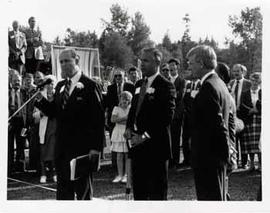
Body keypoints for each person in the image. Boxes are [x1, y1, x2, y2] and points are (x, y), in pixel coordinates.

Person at [35, 48, 105, 200]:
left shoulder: (90, 85)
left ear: (77, 60)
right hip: (61, 149)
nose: (63, 64)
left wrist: (95, 148)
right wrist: (40, 98)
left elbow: (98, 119)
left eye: (67, 61)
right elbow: (55, 112)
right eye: (61, 62)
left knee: (82, 193)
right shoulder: (60, 86)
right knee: (63, 193)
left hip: (81, 150)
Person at [124, 47, 176, 200]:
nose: (141, 64)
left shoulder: (166, 85)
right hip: (137, 147)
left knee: (156, 194)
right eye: (141, 60)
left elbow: (166, 118)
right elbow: (134, 109)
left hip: (156, 148)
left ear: (157, 62)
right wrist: (128, 126)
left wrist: (145, 136)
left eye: (146, 61)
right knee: (140, 192)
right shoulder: (140, 83)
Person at [187, 45, 231, 200]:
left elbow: (219, 127)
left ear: (200, 63)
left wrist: (226, 158)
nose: (188, 66)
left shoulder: (208, 88)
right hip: (215, 159)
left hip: (208, 160)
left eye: (190, 63)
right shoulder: (219, 83)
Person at [105, 69, 135, 172]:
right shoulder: (110, 88)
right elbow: (109, 103)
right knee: (115, 143)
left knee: (127, 146)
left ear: (124, 76)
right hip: (115, 115)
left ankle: (128, 169)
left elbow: (134, 101)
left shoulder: (130, 87)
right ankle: (115, 167)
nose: (118, 78)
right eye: (116, 76)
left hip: (128, 116)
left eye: (120, 76)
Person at [33, 75, 57, 183]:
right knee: (43, 151)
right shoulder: (40, 96)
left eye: (52, 83)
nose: (50, 86)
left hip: (55, 126)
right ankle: (43, 174)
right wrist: (41, 113)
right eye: (48, 83)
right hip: (44, 127)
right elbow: (34, 115)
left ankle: (54, 173)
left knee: (54, 150)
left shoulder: (58, 95)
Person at [229, 64, 251, 169]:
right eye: (234, 71)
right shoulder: (231, 83)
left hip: (244, 114)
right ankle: (235, 161)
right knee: (234, 138)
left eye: (238, 71)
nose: (236, 73)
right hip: (233, 115)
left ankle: (245, 162)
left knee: (244, 139)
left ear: (243, 72)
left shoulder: (248, 84)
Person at [239, 72, 261, 171]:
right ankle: (251, 163)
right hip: (249, 119)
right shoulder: (245, 93)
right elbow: (242, 105)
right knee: (250, 143)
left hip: (260, 120)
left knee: (260, 142)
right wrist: (250, 110)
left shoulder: (264, 92)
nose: (255, 82)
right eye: (253, 80)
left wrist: (258, 110)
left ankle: (261, 164)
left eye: (257, 80)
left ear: (260, 81)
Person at [110, 91, 133, 183]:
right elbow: (113, 120)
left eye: (127, 100)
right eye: (123, 99)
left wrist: (120, 120)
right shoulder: (116, 108)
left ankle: (127, 175)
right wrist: (125, 118)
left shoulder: (131, 108)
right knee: (119, 155)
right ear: (120, 100)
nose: (124, 102)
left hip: (128, 132)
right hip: (118, 133)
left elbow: (131, 121)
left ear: (129, 101)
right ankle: (120, 174)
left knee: (128, 154)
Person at [168, 58, 186, 168]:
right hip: (167, 113)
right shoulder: (166, 79)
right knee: (167, 137)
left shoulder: (181, 80)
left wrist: (170, 93)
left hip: (177, 113)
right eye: (170, 65)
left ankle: (175, 161)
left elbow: (180, 96)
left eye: (174, 65)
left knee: (175, 137)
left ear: (177, 67)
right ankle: (169, 160)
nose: (172, 67)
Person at [8, 73, 26, 175]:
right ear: (11, 82)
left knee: (21, 144)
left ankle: (20, 167)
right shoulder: (6, 92)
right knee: (9, 144)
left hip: (22, 122)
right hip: (11, 121)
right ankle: (9, 167)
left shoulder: (24, 93)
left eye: (18, 80)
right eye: (15, 80)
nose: (17, 82)